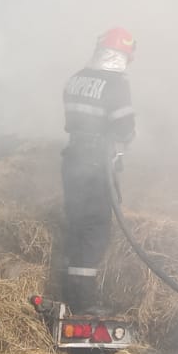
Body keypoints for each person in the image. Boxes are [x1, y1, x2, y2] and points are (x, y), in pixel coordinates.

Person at [60, 26, 136, 312]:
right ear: (123, 56)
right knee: (95, 228)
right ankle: (83, 303)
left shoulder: (77, 78)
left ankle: (67, 291)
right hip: (95, 163)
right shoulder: (116, 84)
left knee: (77, 224)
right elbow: (125, 128)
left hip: (72, 159)